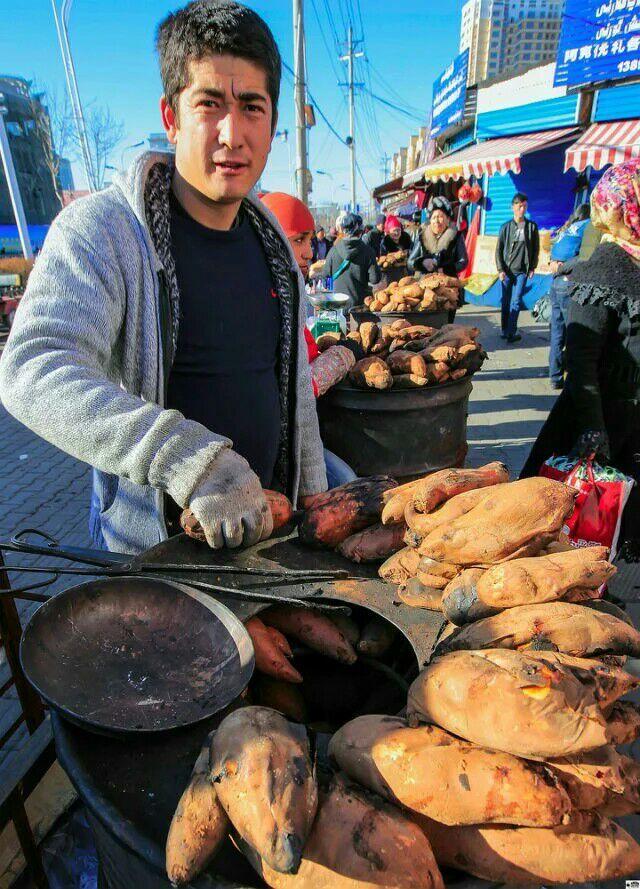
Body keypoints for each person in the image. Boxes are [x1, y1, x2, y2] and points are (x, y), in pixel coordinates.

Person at [0, 0, 327, 554]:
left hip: (268, 536)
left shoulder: (273, 244)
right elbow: (32, 366)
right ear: (171, 117)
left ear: (273, 122)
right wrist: (191, 462)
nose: (232, 134)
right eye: (210, 104)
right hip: (156, 561)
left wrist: (318, 509)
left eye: (252, 106)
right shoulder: (103, 233)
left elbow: (297, 401)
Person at [521, 159, 640, 556]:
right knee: (579, 526)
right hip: (602, 421)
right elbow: (582, 364)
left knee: (619, 526)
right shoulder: (601, 271)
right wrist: (594, 431)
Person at [547, 204, 590, 389]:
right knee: (572, 330)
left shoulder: (567, 228)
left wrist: (555, 265)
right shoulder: (588, 227)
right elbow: (585, 256)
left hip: (555, 283)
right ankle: (572, 377)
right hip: (568, 281)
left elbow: (553, 252)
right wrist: (563, 267)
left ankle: (555, 377)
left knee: (557, 333)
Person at [495, 192, 540, 343]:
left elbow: (535, 248)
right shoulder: (505, 227)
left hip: (522, 271)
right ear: (512, 207)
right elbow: (499, 250)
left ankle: (511, 332)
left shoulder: (531, 227)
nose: (522, 209)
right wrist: (500, 270)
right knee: (506, 301)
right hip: (507, 271)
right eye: (519, 206)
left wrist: (532, 267)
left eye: (525, 206)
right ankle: (504, 329)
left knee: (516, 301)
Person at [323, 212, 381, 309]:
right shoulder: (368, 251)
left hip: (337, 306)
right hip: (360, 307)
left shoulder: (333, 251)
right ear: (361, 231)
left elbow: (325, 278)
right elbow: (375, 279)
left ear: (343, 230)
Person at [408, 196, 468, 277]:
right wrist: (422, 263)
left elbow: (463, 262)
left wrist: (445, 270)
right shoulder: (422, 236)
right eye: (433, 217)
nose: (436, 221)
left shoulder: (456, 236)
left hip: (448, 284)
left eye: (440, 217)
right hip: (425, 285)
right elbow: (410, 262)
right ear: (430, 220)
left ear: (448, 219)